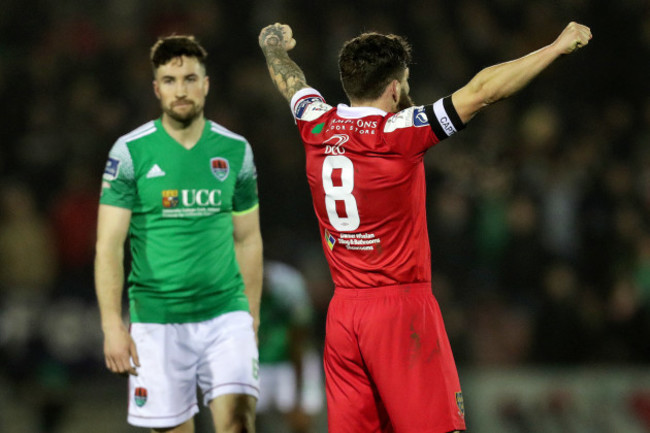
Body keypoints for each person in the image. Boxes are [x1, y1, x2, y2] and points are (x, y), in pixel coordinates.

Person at [258, 21, 591, 433]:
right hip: (399, 309)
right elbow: (484, 90)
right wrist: (555, 47)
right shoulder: (399, 132)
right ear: (394, 88)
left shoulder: (316, 122)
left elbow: (290, 80)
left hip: (343, 315)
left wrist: (272, 44)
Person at [95, 35, 263, 433]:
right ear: (156, 89)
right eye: (169, 80)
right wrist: (112, 327)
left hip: (226, 315)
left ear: (206, 84)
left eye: (190, 78)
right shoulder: (129, 153)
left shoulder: (236, 151)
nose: (181, 89)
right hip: (156, 320)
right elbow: (108, 245)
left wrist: (251, 316)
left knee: (238, 425)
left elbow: (248, 239)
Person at [256, 260, 324, 433]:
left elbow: (298, 343)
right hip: (259, 360)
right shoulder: (232, 288)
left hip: (292, 360)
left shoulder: (289, 288)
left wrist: (298, 395)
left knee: (300, 422)